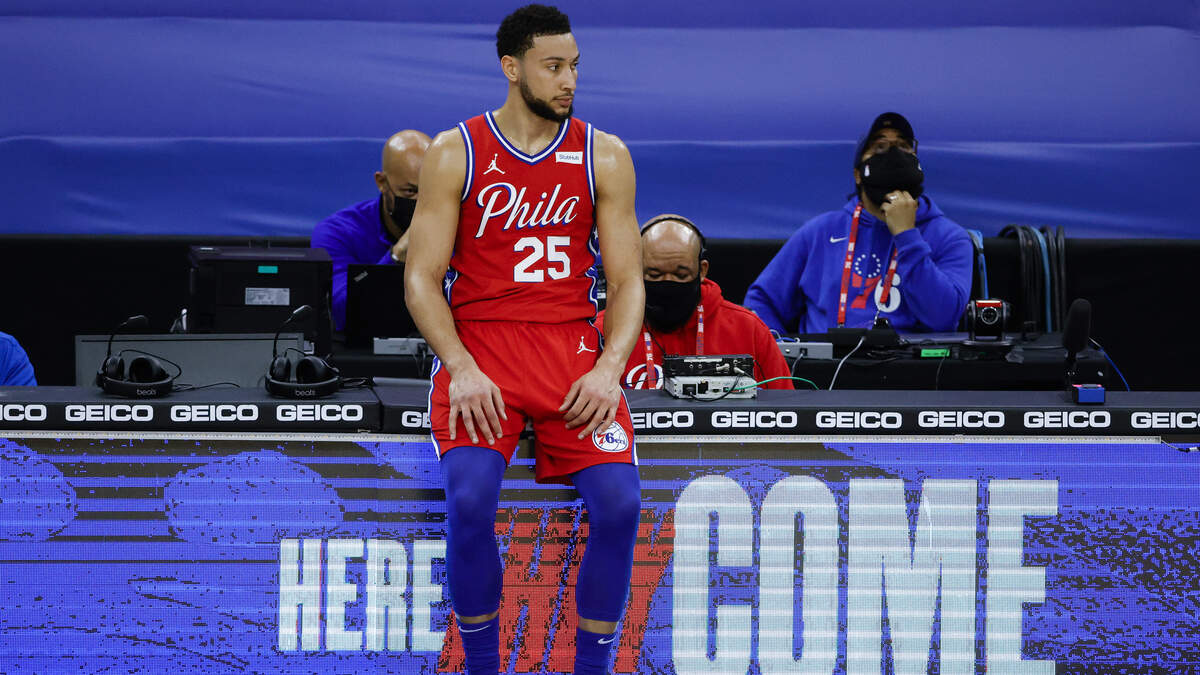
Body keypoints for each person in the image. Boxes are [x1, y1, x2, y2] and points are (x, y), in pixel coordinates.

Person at [403, 5, 643, 674]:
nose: (569, 81)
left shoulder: (605, 154)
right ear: (511, 68)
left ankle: (591, 668)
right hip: (482, 352)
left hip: (572, 352)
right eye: (553, 67)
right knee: (470, 500)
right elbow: (420, 279)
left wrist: (610, 368)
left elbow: (628, 282)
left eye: (575, 67)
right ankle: (484, 666)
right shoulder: (456, 150)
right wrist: (459, 365)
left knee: (621, 505)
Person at [744, 112, 973, 334]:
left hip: (909, 359)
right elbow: (761, 301)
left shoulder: (949, 237)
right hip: (826, 359)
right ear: (858, 175)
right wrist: (778, 350)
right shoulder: (820, 232)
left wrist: (907, 236)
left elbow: (945, 318)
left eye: (904, 146)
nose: (894, 154)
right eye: (880, 147)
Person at [596, 214, 794, 390]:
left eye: (681, 275)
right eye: (654, 275)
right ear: (636, 268)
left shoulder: (748, 330)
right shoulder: (604, 330)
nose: (668, 282)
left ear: (702, 270)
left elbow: (786, 408)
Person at [311, 129, 431, 330]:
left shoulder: (463, 229)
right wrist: (396, 257)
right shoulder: (337, 233)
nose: (421, 202)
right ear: (382, 183)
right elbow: (341, 311)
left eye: (430, 190)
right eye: (410, 191)